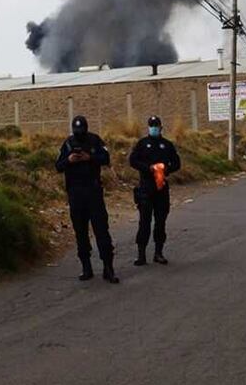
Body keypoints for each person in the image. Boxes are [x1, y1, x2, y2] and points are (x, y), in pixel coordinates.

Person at [55, 116, 118, 284]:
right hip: (75, 193)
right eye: (77, 131)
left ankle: (108, 268)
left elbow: (106, 159)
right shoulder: (68, 143)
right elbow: (58, 166)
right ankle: (86, 267)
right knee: (80, 232)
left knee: (101, 230)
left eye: (81, 130)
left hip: (93, 191)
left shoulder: (95, 140)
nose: (79, 134)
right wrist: (69, 160)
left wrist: (90, 157)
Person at [129, 115, 181, 266]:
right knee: (144, 222)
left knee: (160, 222)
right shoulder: (142, 144)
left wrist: (166, 169)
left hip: (161, 188)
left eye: (156, 126)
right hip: (146, 187)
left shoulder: (167, 145)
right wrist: (149, 168)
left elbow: (177, 163)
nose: (154, 128)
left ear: (161, 127)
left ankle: (158, 252)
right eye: (152, 126)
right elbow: (133, 161)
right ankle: (141, 254)